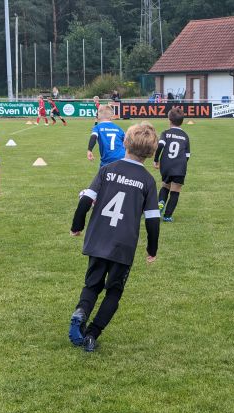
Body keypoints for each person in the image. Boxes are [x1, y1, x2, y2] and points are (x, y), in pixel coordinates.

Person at [68, 122, 161, 352]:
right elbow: (152, 220)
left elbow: (85, 200)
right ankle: (92, 334)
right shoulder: (148, 180)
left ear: (125, 143)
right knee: (114, 291)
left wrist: (77, 226)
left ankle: (80, 312)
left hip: (98, 237)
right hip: (123, 244)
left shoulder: (107, 170)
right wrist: (152, 249)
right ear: (151, 152)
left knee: (92, 285)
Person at [153, 107, 191, 222]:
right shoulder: (185, 136)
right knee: (176, 190)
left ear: (169, 120)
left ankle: (160, 205)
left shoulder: (166, 133)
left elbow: (160, 145)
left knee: (165, 185)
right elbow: (187, 155)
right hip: (180, 166)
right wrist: (181, 165)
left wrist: (156, 159)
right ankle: (167, 216)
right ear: (182, 121)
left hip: (166, 165)